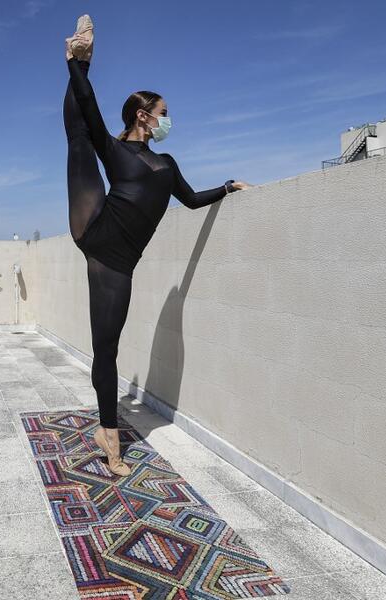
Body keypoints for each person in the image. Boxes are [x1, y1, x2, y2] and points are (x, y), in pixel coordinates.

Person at [63, 14, 252, 476]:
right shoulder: (116, 150)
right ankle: (77, 60)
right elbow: (89, 111)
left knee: (106, 347)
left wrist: (227, 188)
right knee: (80, 136)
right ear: (144, 116)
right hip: (96, 229)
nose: (168, 120)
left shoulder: (166, 164)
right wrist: (79, 72)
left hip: (119, 262)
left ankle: (106, 422)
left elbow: (188, 201)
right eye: (163, 112)